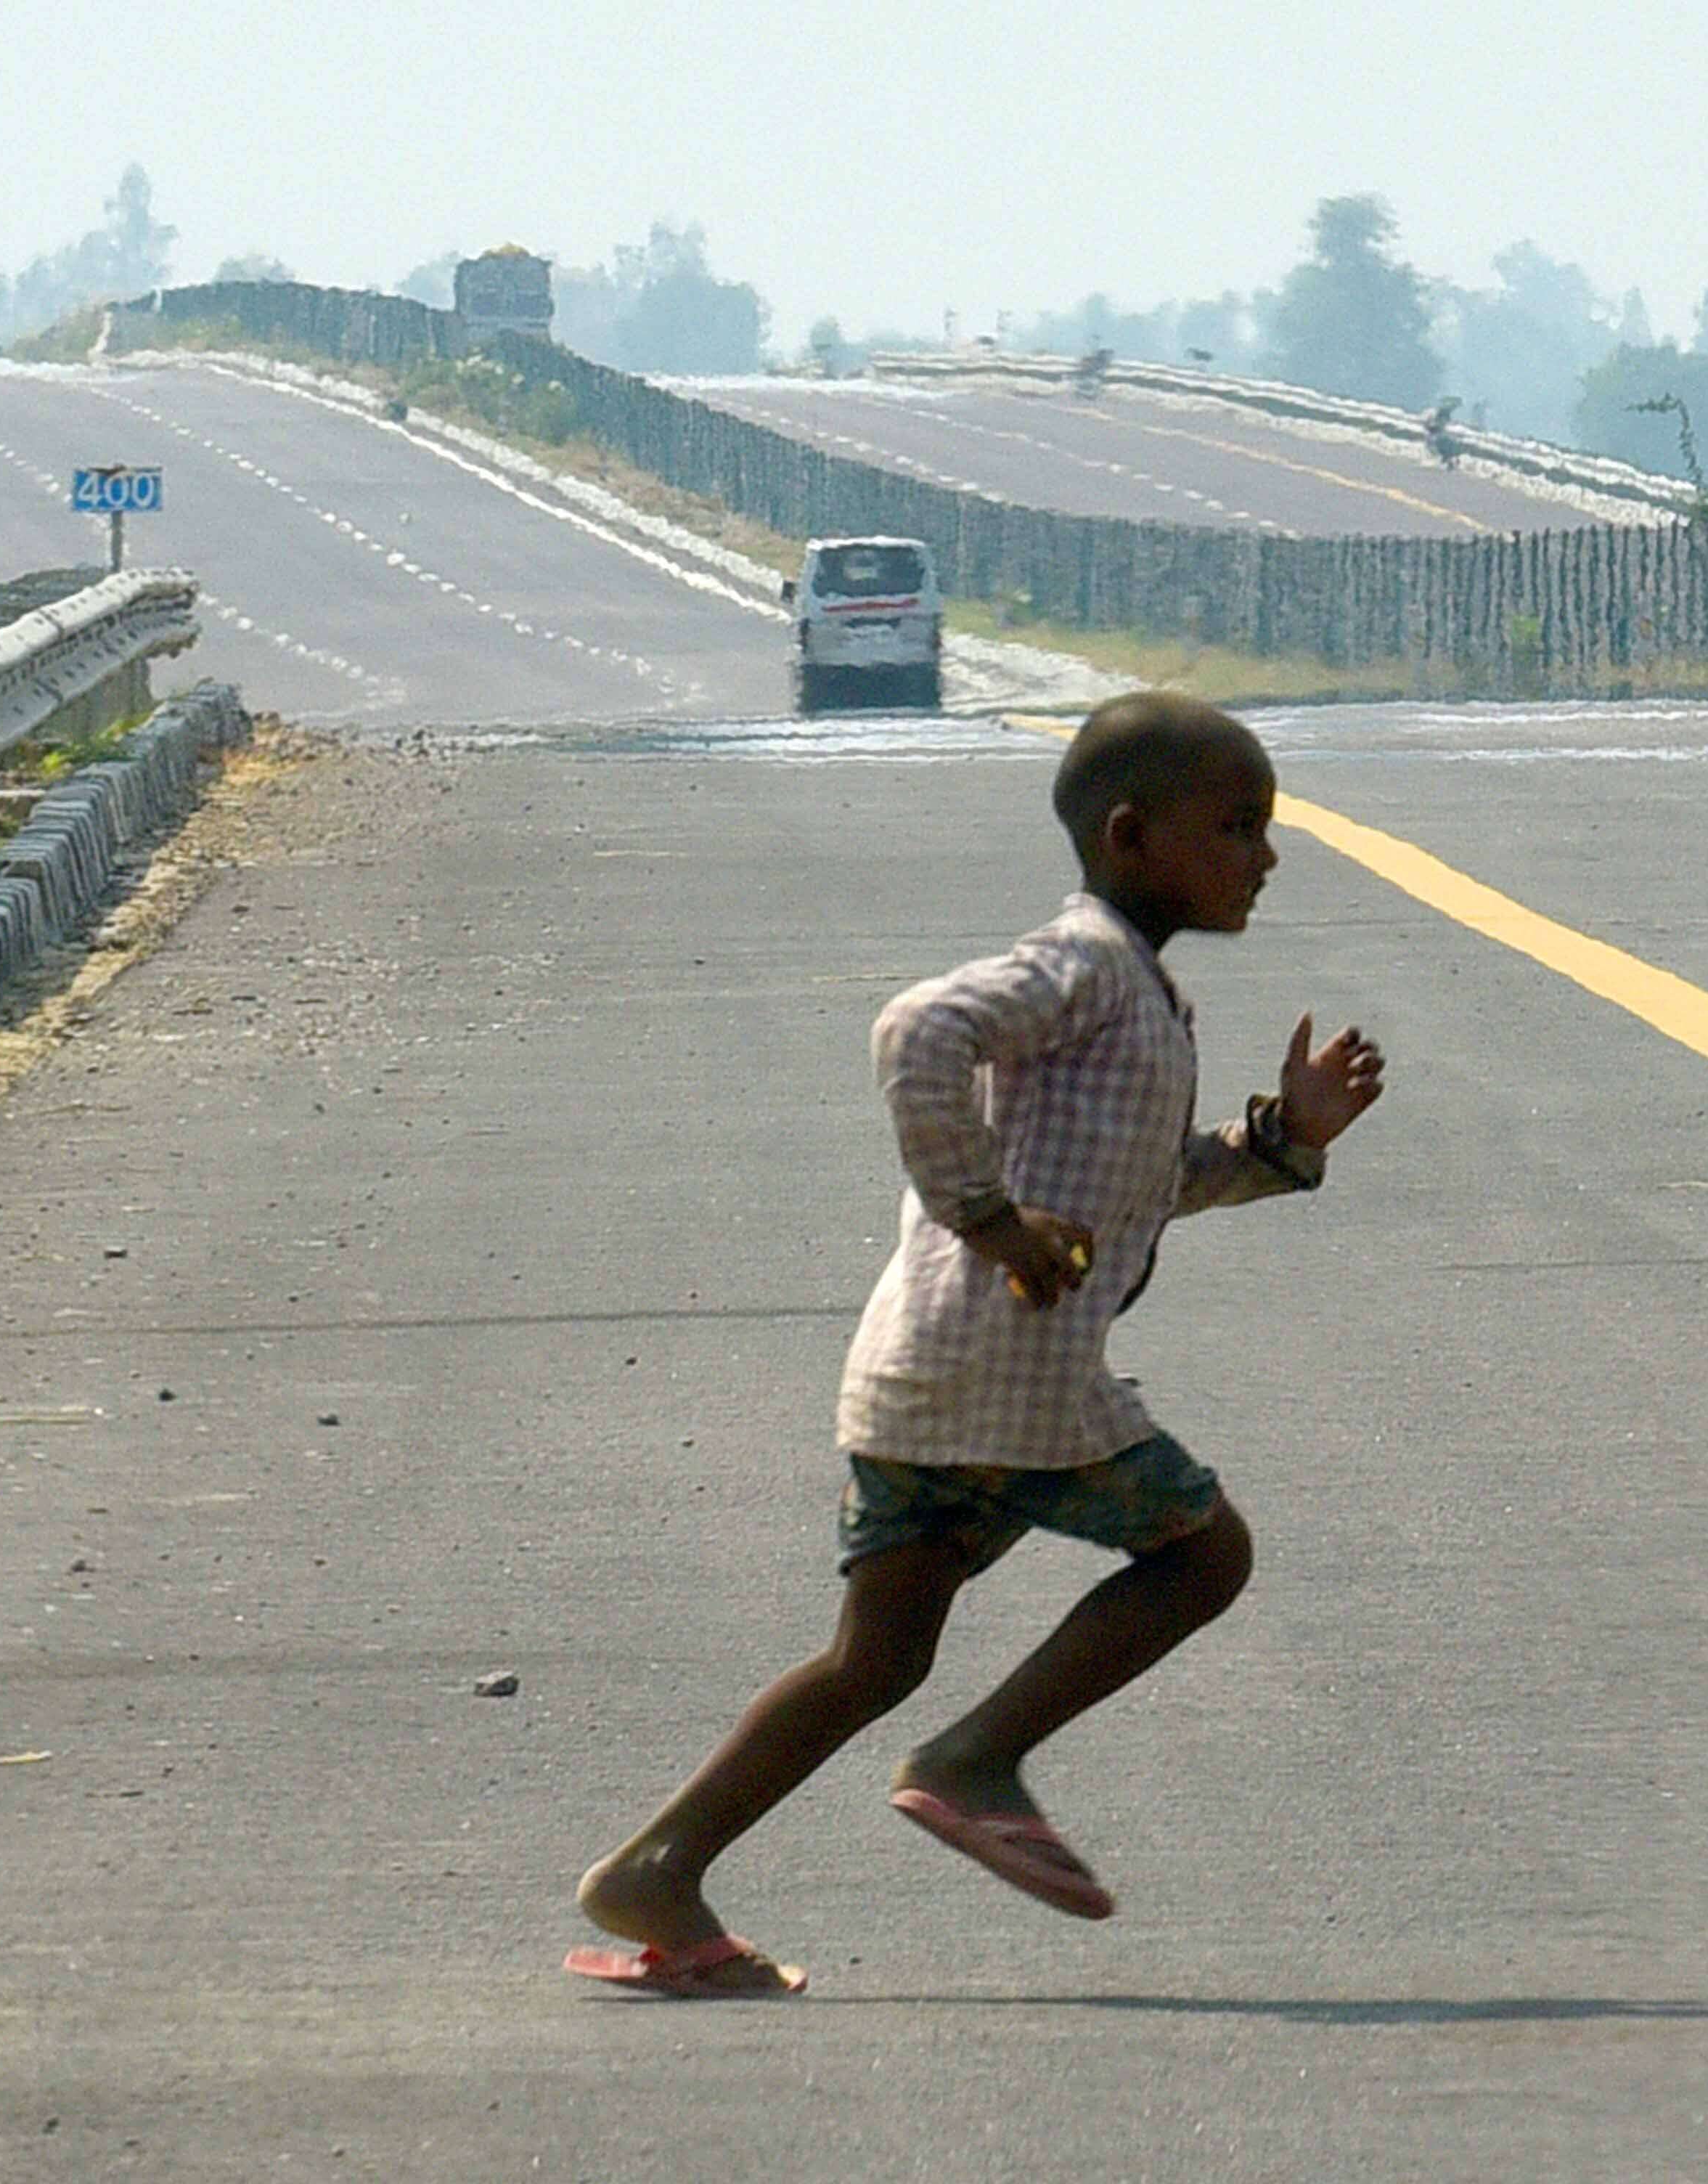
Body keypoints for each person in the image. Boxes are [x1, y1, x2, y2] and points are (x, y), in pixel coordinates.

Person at [565, 692, 1387, 1997]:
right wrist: (990, 1221)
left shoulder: (1132, 990)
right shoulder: (1088, 968)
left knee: (872, 1660)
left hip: (922, 1377)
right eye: (1238, 828)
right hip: (1017, 1375)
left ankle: (658, 1871)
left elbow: (1134, 1183)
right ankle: (975, 1761)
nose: (1265, 857)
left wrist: (1281, 1144)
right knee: (1202, 1553)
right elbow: (917, 1030)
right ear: (1129, 837)